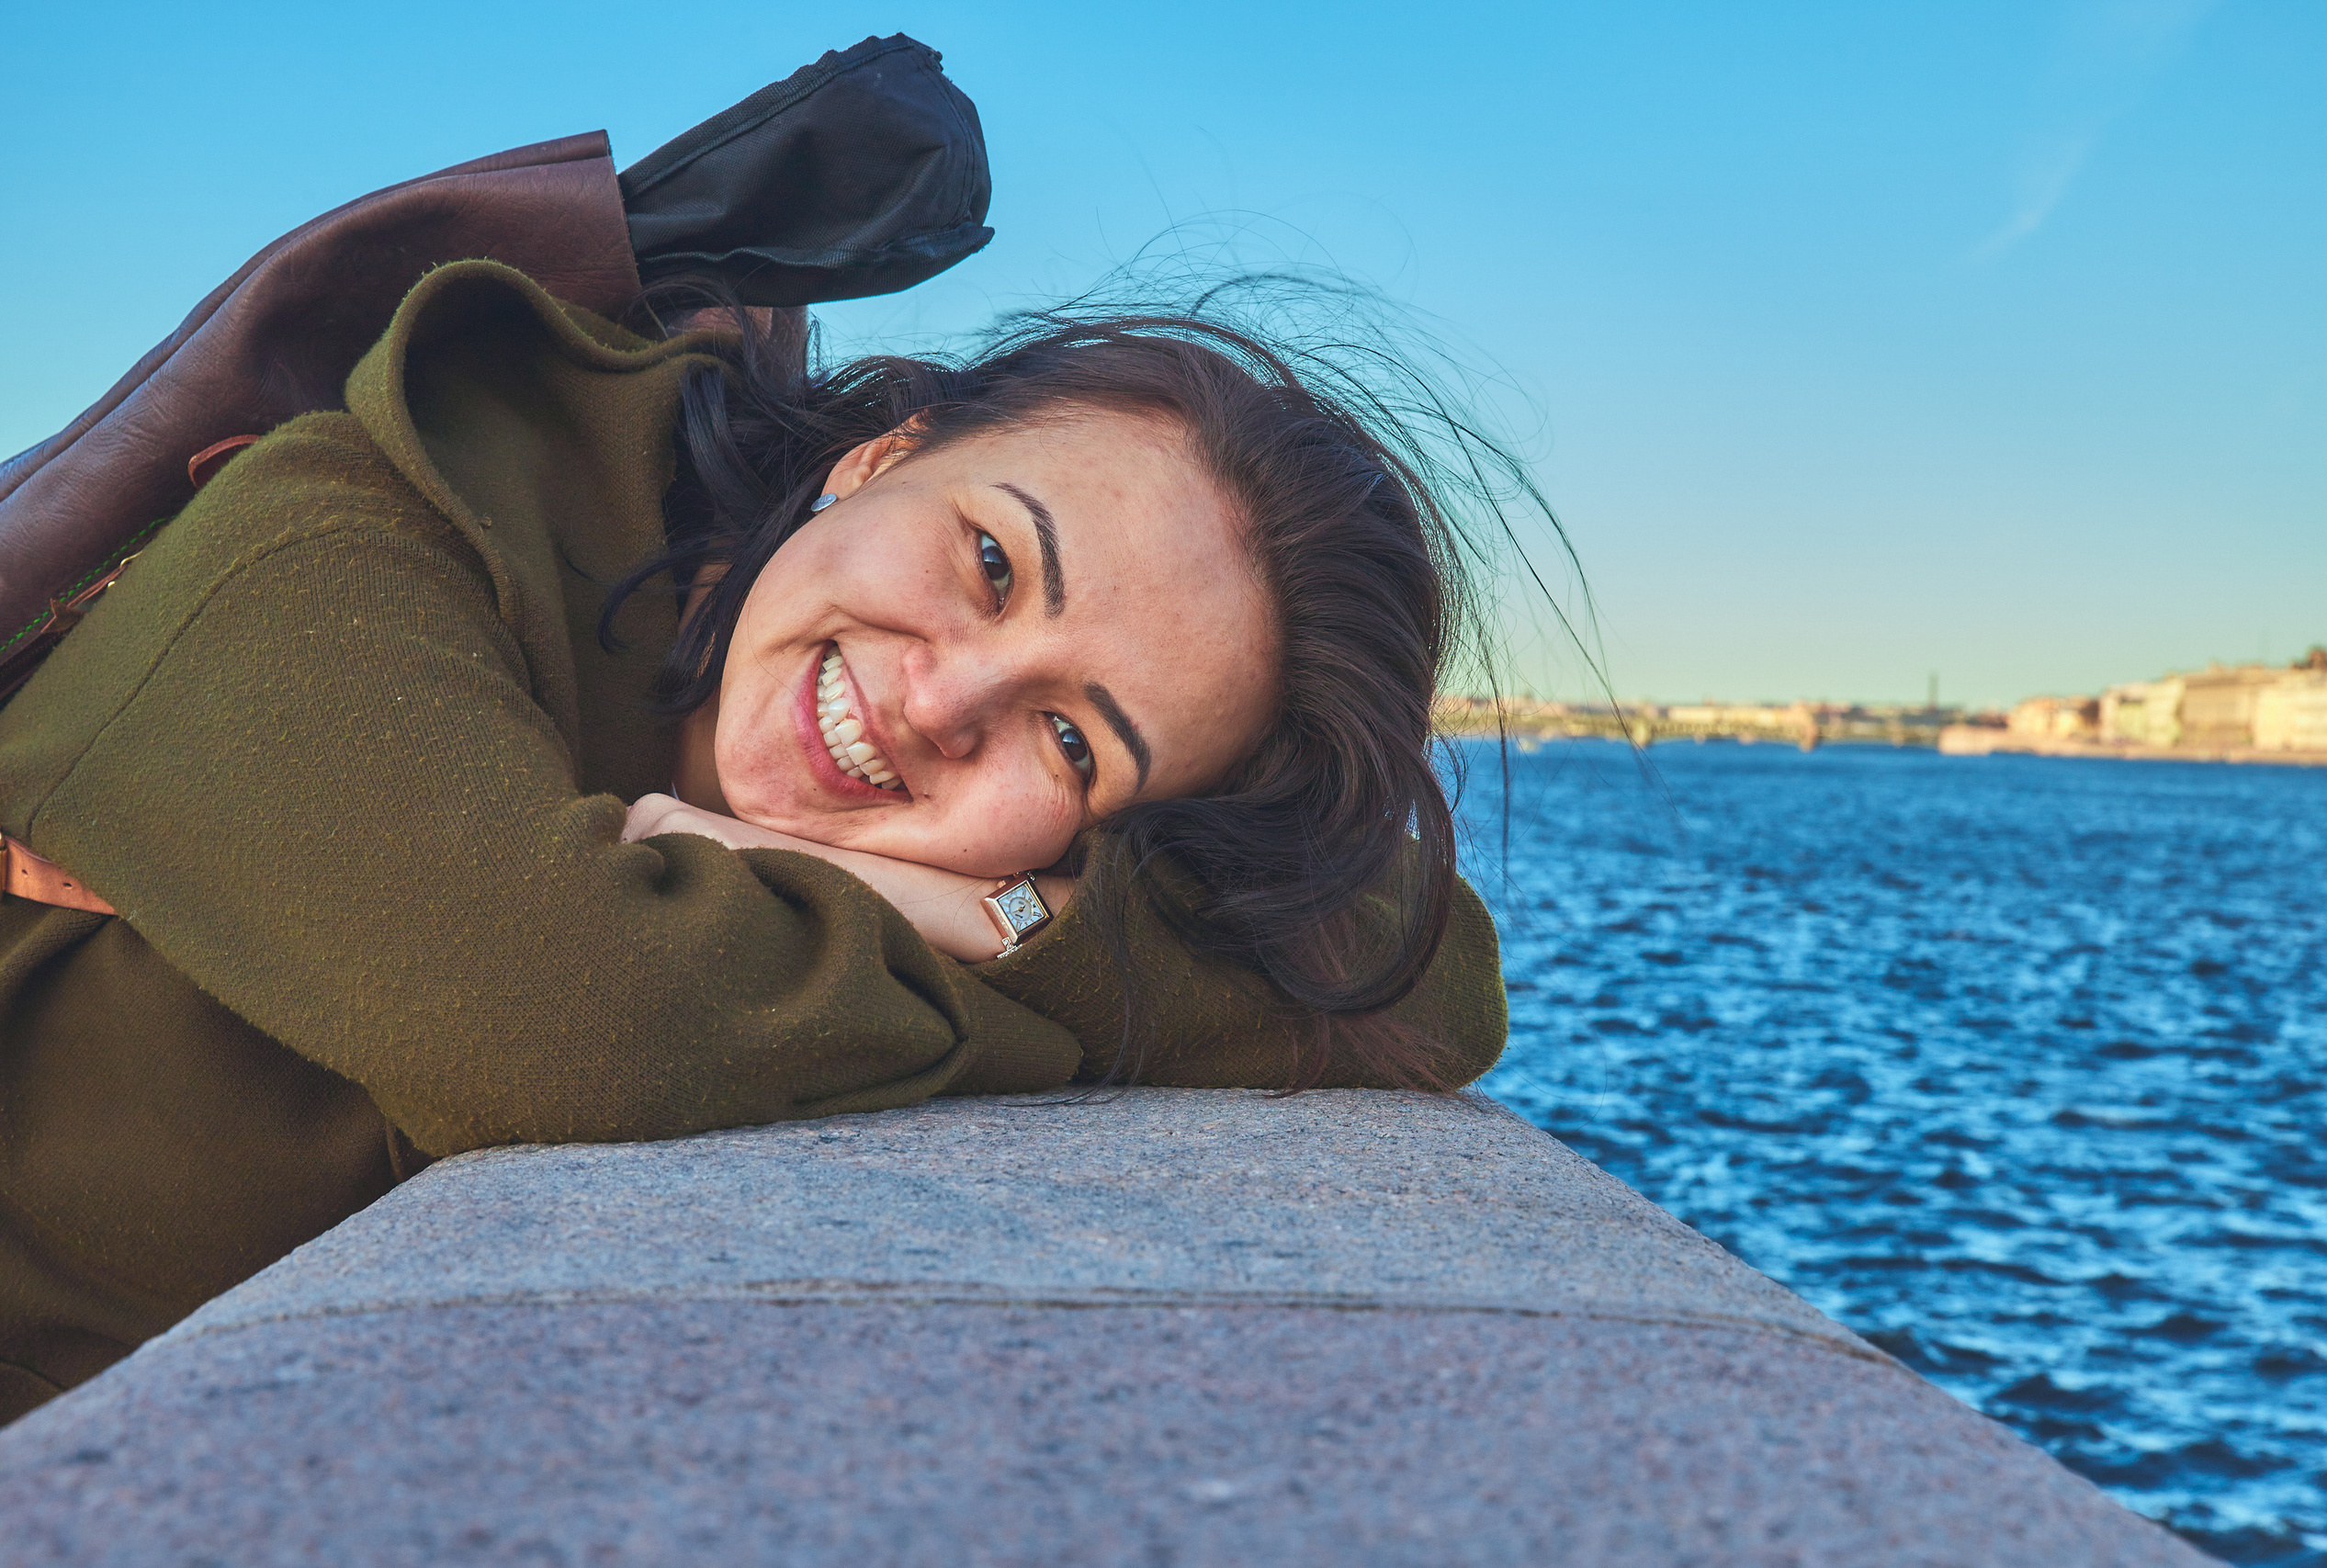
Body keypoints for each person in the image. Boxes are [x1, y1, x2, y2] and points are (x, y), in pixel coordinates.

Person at [0, 250, 1519, 1424]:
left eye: (1072, 740)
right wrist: (1025, 959)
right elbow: (573, 1016)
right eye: (991, 560)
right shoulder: (357, 521)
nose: (947, 699)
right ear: (884, 450)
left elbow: (1421, 970)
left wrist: (991, 922)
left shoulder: (978, 851)